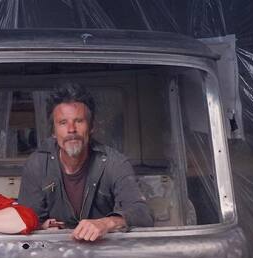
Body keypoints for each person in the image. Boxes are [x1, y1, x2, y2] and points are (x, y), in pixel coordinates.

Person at [17, 83, 154, 241]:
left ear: (91, 127)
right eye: (63, 123)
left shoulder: (114, 163)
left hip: (106, 253)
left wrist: (106, 223)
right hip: (54, 253)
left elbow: (142, 214)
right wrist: (41, 227)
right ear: (53, 132)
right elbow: (24, 221)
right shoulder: (37, 165)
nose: (71, 129)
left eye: (79, 121)